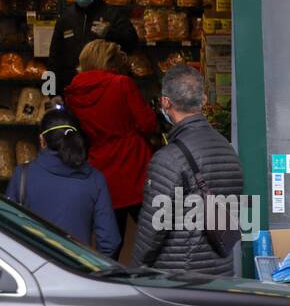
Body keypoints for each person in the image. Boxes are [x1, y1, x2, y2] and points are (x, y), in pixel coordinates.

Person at [134, 65, 244, 278]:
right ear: (203, 100)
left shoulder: (168, 158)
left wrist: (134, 271)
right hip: (221, 274)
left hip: (179, 279)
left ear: (165, 102)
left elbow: (153, 229)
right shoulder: (227, 148)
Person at [63, 40, 155, 252]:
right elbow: (146, 123)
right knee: (154, 236)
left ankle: (105, 281)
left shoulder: (74, 92)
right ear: (110, 61)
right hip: (135, 166)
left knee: (111, 241)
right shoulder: (122, 84)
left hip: (101, 166)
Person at [3, 107, 119, 256]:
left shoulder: (22, 174)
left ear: (42, 140)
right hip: (76, 272)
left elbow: (7, 232)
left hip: (34, 272)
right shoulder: (95, 178)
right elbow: (110, 241)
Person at [50, 0, 140, 97]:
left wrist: (110, 33)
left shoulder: (112, 14)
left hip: (105, 89)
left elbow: (132, 42)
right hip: (72, 88)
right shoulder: (66, 18)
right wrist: (52, 93)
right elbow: (54, 57)